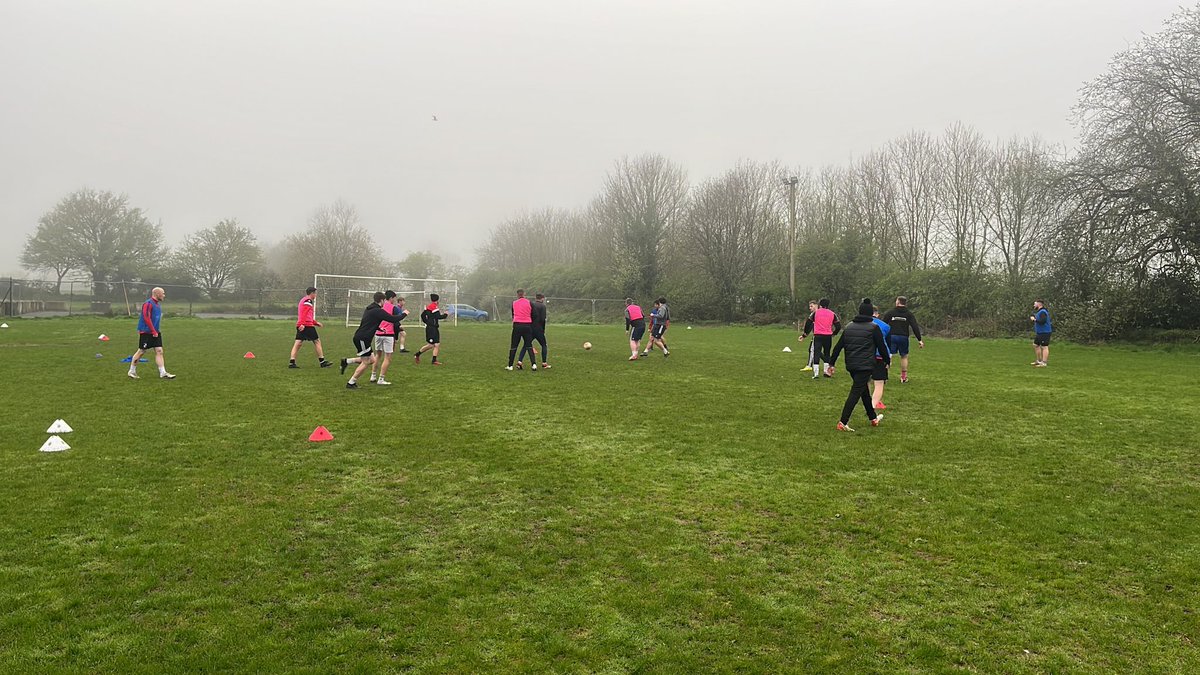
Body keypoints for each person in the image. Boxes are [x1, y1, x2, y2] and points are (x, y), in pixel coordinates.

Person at [828, 298, 890, 431]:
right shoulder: (874, 327)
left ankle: (873, 418)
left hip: (851, 365)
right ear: (870, 314)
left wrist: (831, 363)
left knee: (864, 392)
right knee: (855, 393)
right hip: (866, 365)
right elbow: (882, 347)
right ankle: (843, 422)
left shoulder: (849, 326)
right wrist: (887, 361)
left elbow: (838, 346)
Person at [340, 291, 405, 388]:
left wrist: (379, 328)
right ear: (382, 300)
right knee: (366, 361)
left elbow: (369, 322)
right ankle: (351, 382)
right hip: (362, 338)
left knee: (372, 359)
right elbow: (392, 319)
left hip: (362, 337)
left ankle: (347, 361)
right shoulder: (377, 310)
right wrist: (404, 314)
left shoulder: (370, 308)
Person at [128, 286, 176, 379]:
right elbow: (146, 318)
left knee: (159, 351)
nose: (164, 295)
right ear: (157, 294)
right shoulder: (148, 304)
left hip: (155, 332)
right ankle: (131, 371)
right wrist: (153, 331)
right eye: (163, 293)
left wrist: (156, 331)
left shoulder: (157, 304)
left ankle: (163, 373)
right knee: (141, 351)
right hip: (146, 332)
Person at [881, 295, 924, 383]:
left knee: (889, 356)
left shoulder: (890, 312)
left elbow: (883, 324)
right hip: (903, 337)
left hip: (891, 336)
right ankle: (903, 377)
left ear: (897, 302)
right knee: (904, 356)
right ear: (905, 303)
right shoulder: (909, 314)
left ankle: (884, 377)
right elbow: (914, 326)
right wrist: (919, 339)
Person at [369, 291, 408, 385]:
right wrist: (404, 314)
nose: (395, 300)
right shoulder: (393, 308)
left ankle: (373, 376)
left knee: (377, 355)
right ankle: (381, 379)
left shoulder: (379, 306)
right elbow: (396, 320)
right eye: (394, 298)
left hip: (378, 333)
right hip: (388, 334)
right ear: (391, 298)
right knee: (387, 357)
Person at [289, 286, 333, 368]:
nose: (316, 295)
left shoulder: (303, 300)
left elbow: (307, 315)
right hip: (307, 325)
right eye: (315, 293)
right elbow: (304, 313)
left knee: (298, 343)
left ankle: (292, 362)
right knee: (317, 341)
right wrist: (302, 324)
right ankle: (322, 362)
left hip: (303, 324)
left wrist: (315, 323)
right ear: (312, 293)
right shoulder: (308, 301)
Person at [518, 293, 552, 369]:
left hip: (530, 328)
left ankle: (519, 361)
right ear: (542, 298)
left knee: (526, 345)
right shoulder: (543, 306)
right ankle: (544, 363)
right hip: (539, 329)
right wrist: (543, 329)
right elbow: (543, 319)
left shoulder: (531, 305)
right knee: (544, 345)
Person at [506, 289, 537, 371]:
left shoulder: (514, 303)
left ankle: (510, 365)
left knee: (514, 346)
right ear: (524, 294)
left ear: (517, 295)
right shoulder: (530, 303)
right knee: (529, 345)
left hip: (517, 325)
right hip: (527, 325)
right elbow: (534, 314)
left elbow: (513, 314)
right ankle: (533, 364)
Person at [811, 298, 841, 380]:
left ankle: (816, 373)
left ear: (820, 305)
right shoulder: (832, 314)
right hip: (828, 336)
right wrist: (834, 333)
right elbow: (838, 326)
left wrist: (804, 334)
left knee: (817, 352)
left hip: (818, 335)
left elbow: (809, 322)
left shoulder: (816, 312)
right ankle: (825, 371)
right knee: (827, 353)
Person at [414, 293, 448, 365]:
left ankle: (433, 360)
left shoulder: (429, 307)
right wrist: (446, 314)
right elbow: (438, 316)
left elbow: (423, 315)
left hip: (433, 328)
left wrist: (426, 321)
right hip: (432, 328)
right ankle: (417, 354)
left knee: (436, 344)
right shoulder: (434, 307)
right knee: (431, 345)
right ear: (437, 300)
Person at [870, 306, 892, 410]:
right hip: (880, 356)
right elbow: (887, 343)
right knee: (879, 383)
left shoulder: (860, 323)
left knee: (865, 381)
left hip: (865, 355)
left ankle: (868, 402)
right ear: (877, 314)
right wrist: (888, 358)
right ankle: (873, 405)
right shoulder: (885, 326)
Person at [797, 300, 818, 372]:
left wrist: (804, 335)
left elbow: (808, 325)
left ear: (816, 305)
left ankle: (809, 366)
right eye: (809, 306)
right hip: (826, 335)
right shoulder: (822, 313)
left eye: (811, 306)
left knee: (812, 349)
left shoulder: (814, 314)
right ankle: (828, 363)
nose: (810, 308)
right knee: (816, 350)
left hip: (818, 334)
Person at [1030, 299, 1052, 367]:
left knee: (1044, 347)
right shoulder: (1039, 312)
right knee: (1035, 345)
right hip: (1040, 332)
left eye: (1035, 304)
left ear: (1039, 304)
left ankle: (1044, 362)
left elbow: (1043, 321)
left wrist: (1034, 320)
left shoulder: (1043, 312)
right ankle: (1039, 361)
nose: (1034, 305)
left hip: (1045, 332)